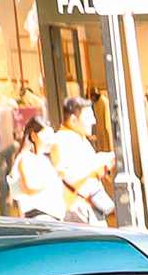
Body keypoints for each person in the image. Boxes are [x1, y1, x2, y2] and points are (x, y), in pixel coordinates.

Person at [49, 96, 114, 225]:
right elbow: (69, 177)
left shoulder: (79, 137)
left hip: (90, 205)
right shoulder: (62, 139)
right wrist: (97, 162)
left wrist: (104, 165)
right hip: (77, 208)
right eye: (88, 117)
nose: (94, 121)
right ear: (74, 119)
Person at [7, 114, 64, 219]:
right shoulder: (26, 158)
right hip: (41, 218)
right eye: (46, 137)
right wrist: (54, 175)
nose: (49, 142)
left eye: (51, 138)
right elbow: (29, 188)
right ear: (33, 136)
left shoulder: (44, 160)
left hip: (52, 218)